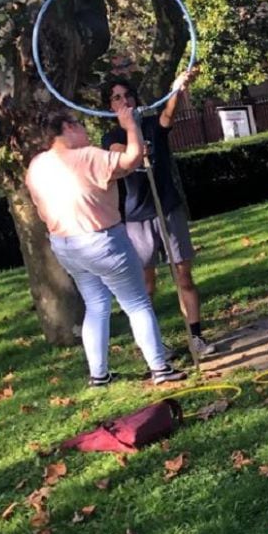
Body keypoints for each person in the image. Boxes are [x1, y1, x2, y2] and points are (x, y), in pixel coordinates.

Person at [24, 108, 185, 387]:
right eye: (80, 124)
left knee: (96, 304)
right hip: (101, 240)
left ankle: (99, 375)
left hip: (65, 245)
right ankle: (160, 368)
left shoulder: (37, 165)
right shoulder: (87, 156)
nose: (85, 130)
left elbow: (40, 209)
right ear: (68, 128)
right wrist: (130, 125)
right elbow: (132, 160)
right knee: (137, 303)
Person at [103, 73, 212, 360]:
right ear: (109, 106)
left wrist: (176, 88)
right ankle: (153, 345)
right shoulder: (111, 137)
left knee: (183, 276)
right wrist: (135, 141)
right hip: (138, 218)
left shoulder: (153, 125)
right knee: (146, 285)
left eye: (127, 95)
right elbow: (121, 152)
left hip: (168, 209)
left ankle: (196, 337)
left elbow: (168, 113)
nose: (124, 101)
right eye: (117, 98)